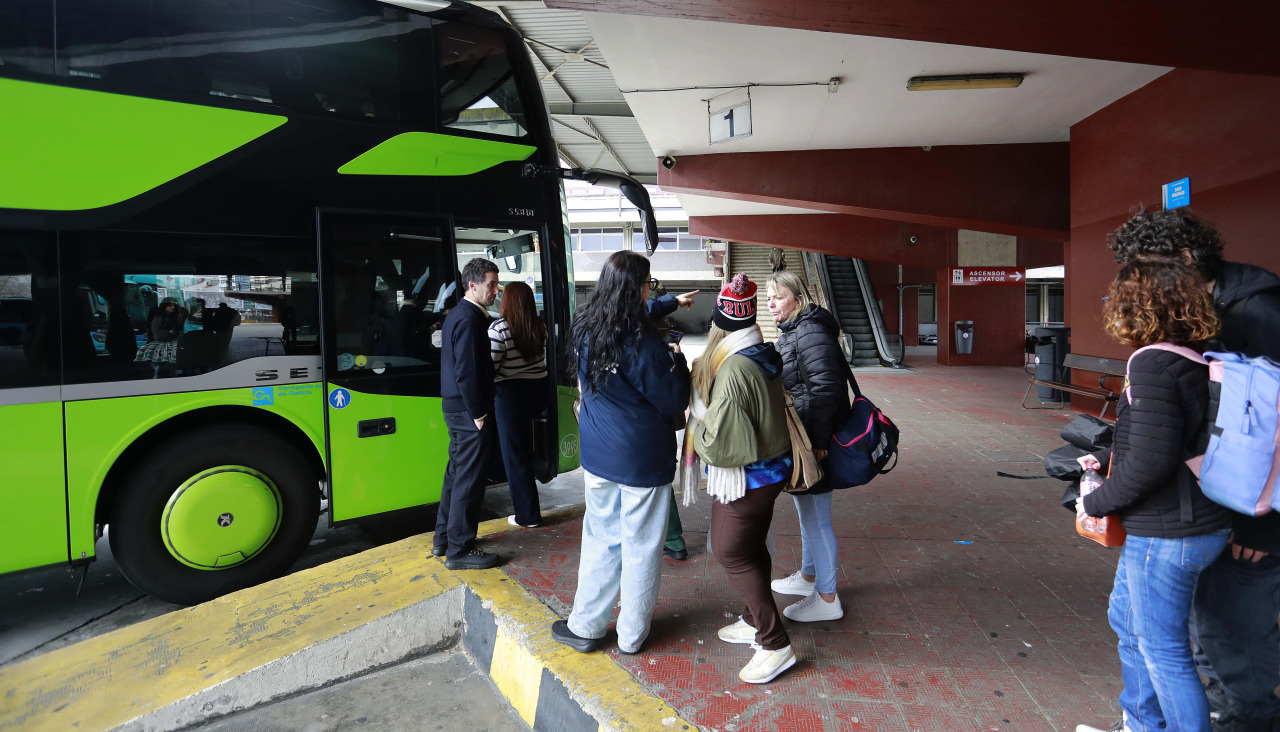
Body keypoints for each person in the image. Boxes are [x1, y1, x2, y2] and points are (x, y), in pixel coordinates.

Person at [1108, 207, 1280, 732]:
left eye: (1146, 269)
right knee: (1186, 630)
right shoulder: (1193, 314)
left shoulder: (1260, 314)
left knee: (1231, 633)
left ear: (1185, 258)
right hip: (1206, 505)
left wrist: (1262, 527)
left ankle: (1250, 720)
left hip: (1250, 513)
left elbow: (1271, 432)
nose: (1139, 283)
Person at [1074, 257, 1234, 732]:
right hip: (1195, 522)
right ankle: (1141, 724)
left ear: (1139, 305)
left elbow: (1149, 461)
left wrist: (1095, 501)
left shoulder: (1152, 363)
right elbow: (1165, 442)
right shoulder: (1193, 356)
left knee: (1163, 649)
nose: (1110, 308)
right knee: (1129, 625)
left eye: (1114, 299)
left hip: (1168, 533)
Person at [551, 251, 690, 655]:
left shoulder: (584, 325)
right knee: (642, 545)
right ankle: (631, 635)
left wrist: (667, 305)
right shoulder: (645, 345)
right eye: (649, 283)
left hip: (597, 456)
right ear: (637, 288)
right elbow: (673, 401)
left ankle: (586, 625)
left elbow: (640, 309)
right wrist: (677, 363)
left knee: (600, 539)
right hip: (641, 460)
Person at [688, 273, 795, 684]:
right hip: (771, 469)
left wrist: (697, 416)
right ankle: (753, 619)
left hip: (747, 476)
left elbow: (720, 444)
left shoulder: (731, 369)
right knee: (750, 548)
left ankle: (775, 642)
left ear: (720, 323)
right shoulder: (758, 351)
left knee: (731, 552)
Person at [765, 270, 851, 622]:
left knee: (817, 518)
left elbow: (826, 388)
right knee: (807, 512)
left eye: (778, 298)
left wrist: (817, 442)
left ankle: (828, 598)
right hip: (805, 438)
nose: (771, 304)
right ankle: (809, 577)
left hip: (815, 441)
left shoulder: (810, 330)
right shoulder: (797, 330)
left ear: (797, 300)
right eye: (769, 298)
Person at [432, 258, 501, 570]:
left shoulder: (457, 315)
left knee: (456, 475)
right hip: (469, 410)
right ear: (473, 285)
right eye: (491, 284)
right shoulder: (470, 319)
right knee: (469, 480)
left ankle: (444, 539)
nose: (496, 291)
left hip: (456, 408)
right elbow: (467, 371)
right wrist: (479, 412)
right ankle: (460, 550)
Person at [646, 277, 700, 560]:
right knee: (661, 479)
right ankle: (674, 539)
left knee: (649, 481)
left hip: (647, 418)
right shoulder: (665, 331)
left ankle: (671, 539)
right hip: (665, 416)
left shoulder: (637, 330)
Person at [489, 282, 549, 529]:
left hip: (510, 396)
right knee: (523, 452)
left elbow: (491, 367)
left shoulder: (499, 328)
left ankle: (527, 515)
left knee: (515, 456)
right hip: (537, 392)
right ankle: (529, 511)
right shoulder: (539, 326)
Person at [134, 297, 182, 377]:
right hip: (159, 348)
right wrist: (170, 332)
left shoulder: (175, 318)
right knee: (158, 370)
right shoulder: (158, 319)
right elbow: (157, 335)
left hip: (172, 349)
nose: (172, 307)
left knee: (172, 371)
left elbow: (179, 332)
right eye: (169, 306)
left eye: (174, 305)